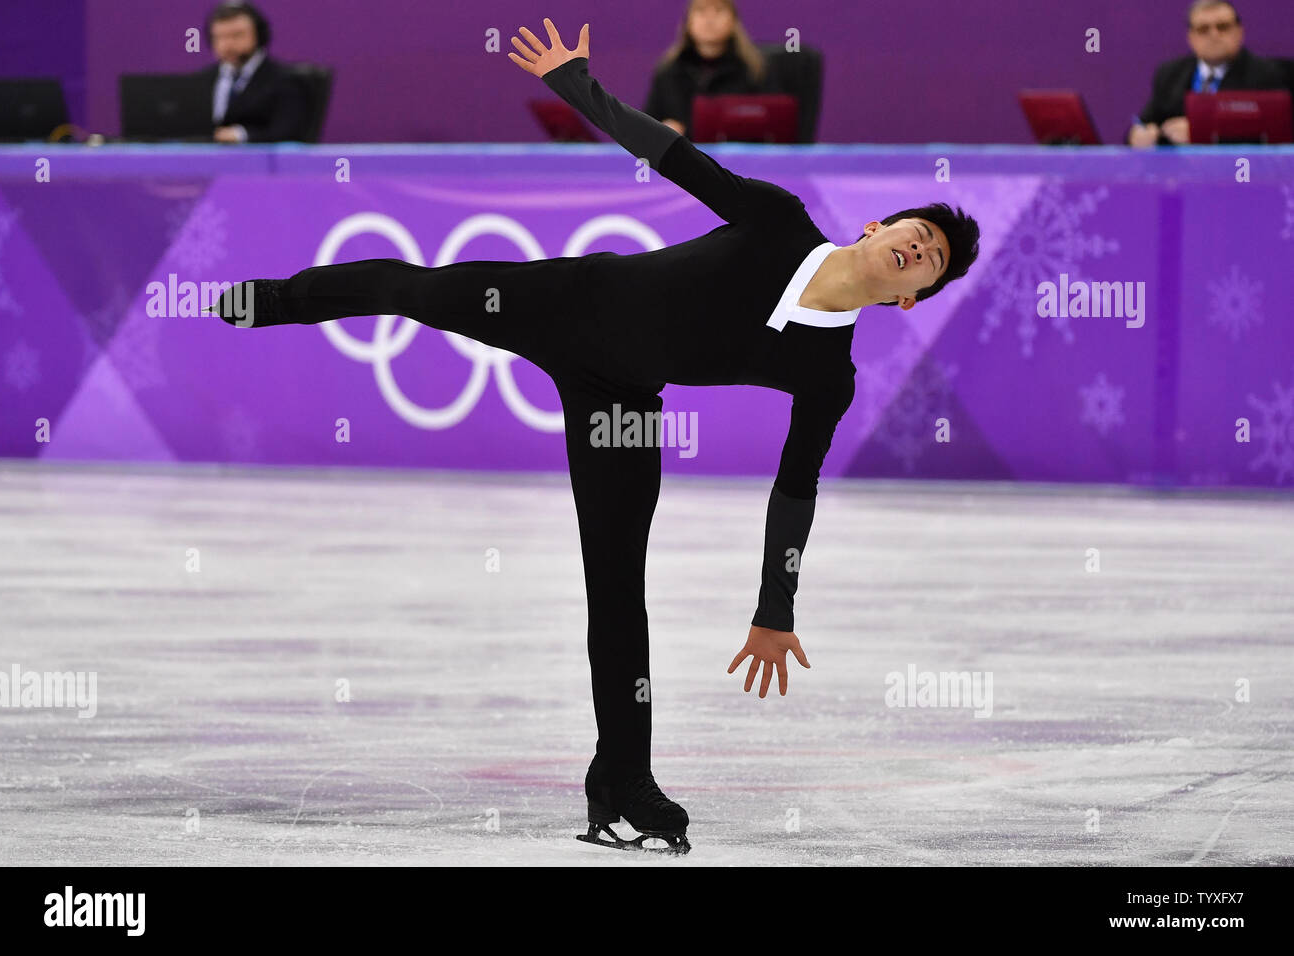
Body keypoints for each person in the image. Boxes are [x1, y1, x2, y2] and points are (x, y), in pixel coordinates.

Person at [211, 18, 980, 854]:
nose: (918, 246)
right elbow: (671, 152)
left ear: (914, 297)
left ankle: (623, 787)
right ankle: (273, 301)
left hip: (620, 401)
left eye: (933, 257)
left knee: (618, 591)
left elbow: (796, 490)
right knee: (413, 287)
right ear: (876, 229)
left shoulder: (829, 375)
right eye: (915, 231)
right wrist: (575, 82)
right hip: (567, 302)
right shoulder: (779, 221)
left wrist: (773, 609)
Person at [1127, 0, 1287, 147]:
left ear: (1239, 31)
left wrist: (1200, 133)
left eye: (1222, 27)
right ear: (1191, 37)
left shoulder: (1269, 75)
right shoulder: (1170, 74)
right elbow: (1146, 122)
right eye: (1203, 29)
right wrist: (1138, 135)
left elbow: (1270, 134)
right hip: (1181, 173)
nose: (1214, 35)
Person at [644, 0, 769, 137]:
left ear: (733, 21)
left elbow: (773, 119)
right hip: (683, 155)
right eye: (701, 10)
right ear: (688, 22)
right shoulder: (668, 72)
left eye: (719, 10)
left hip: (739, 155)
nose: (710, 19)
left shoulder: (754, 69)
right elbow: (646, 127)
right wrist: (663, 129)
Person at [201, 1, 307, 143]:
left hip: (257, 161)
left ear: (258, 34)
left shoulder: (284, 81)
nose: (227, 44)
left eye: (237, 35)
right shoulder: (202, 80)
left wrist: (240, 135)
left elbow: (288, 133)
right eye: (220, 37)